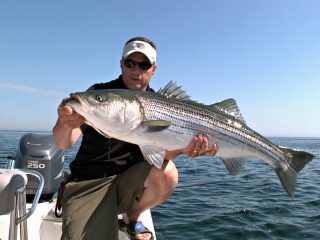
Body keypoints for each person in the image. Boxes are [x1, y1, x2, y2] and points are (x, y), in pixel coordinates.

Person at [53, 36, 218, 240]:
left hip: (128, 183)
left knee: (168, 173)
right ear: (121, 64)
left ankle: (131, 218)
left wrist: (186, 148)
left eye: (143, 64)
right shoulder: (97, 94)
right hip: (88, 184)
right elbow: (63, 142)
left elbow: (160, 153)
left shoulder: (163, 103)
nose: (135, 70)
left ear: (153, 69)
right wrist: (65, 123)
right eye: (130, 63)